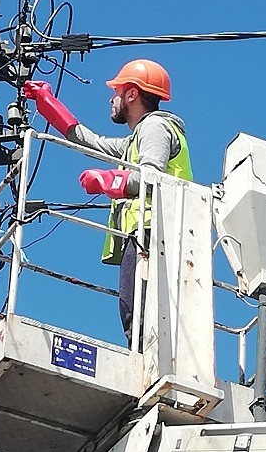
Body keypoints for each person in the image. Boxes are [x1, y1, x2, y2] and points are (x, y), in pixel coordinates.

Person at [23, 59, 193, 343]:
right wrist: (48, 104)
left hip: (154, 233)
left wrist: (108, 180)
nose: (111, 99)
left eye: (116, 92)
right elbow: (92, 143)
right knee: (134, 312)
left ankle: (144, 359)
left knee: (138, 315)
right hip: (149, 234)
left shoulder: (155, 127)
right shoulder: (134, 140)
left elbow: (151, 176)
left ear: (132, 94)